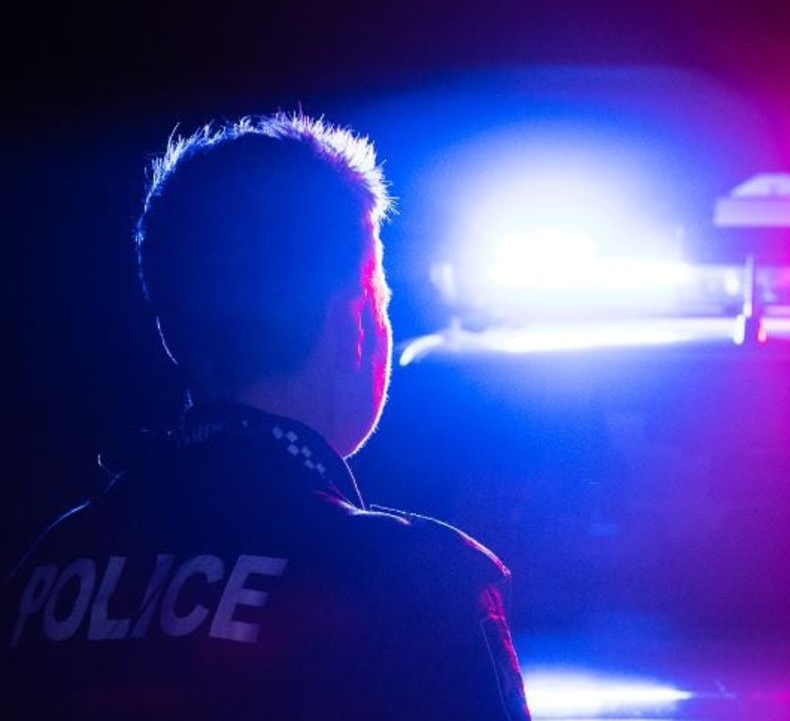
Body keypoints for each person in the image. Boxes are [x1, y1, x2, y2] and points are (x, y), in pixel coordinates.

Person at [2, 111, 532, 720]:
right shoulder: (420, 582)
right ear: (353, 323)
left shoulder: (45, 570)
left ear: (170, 334)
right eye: (381, 300)